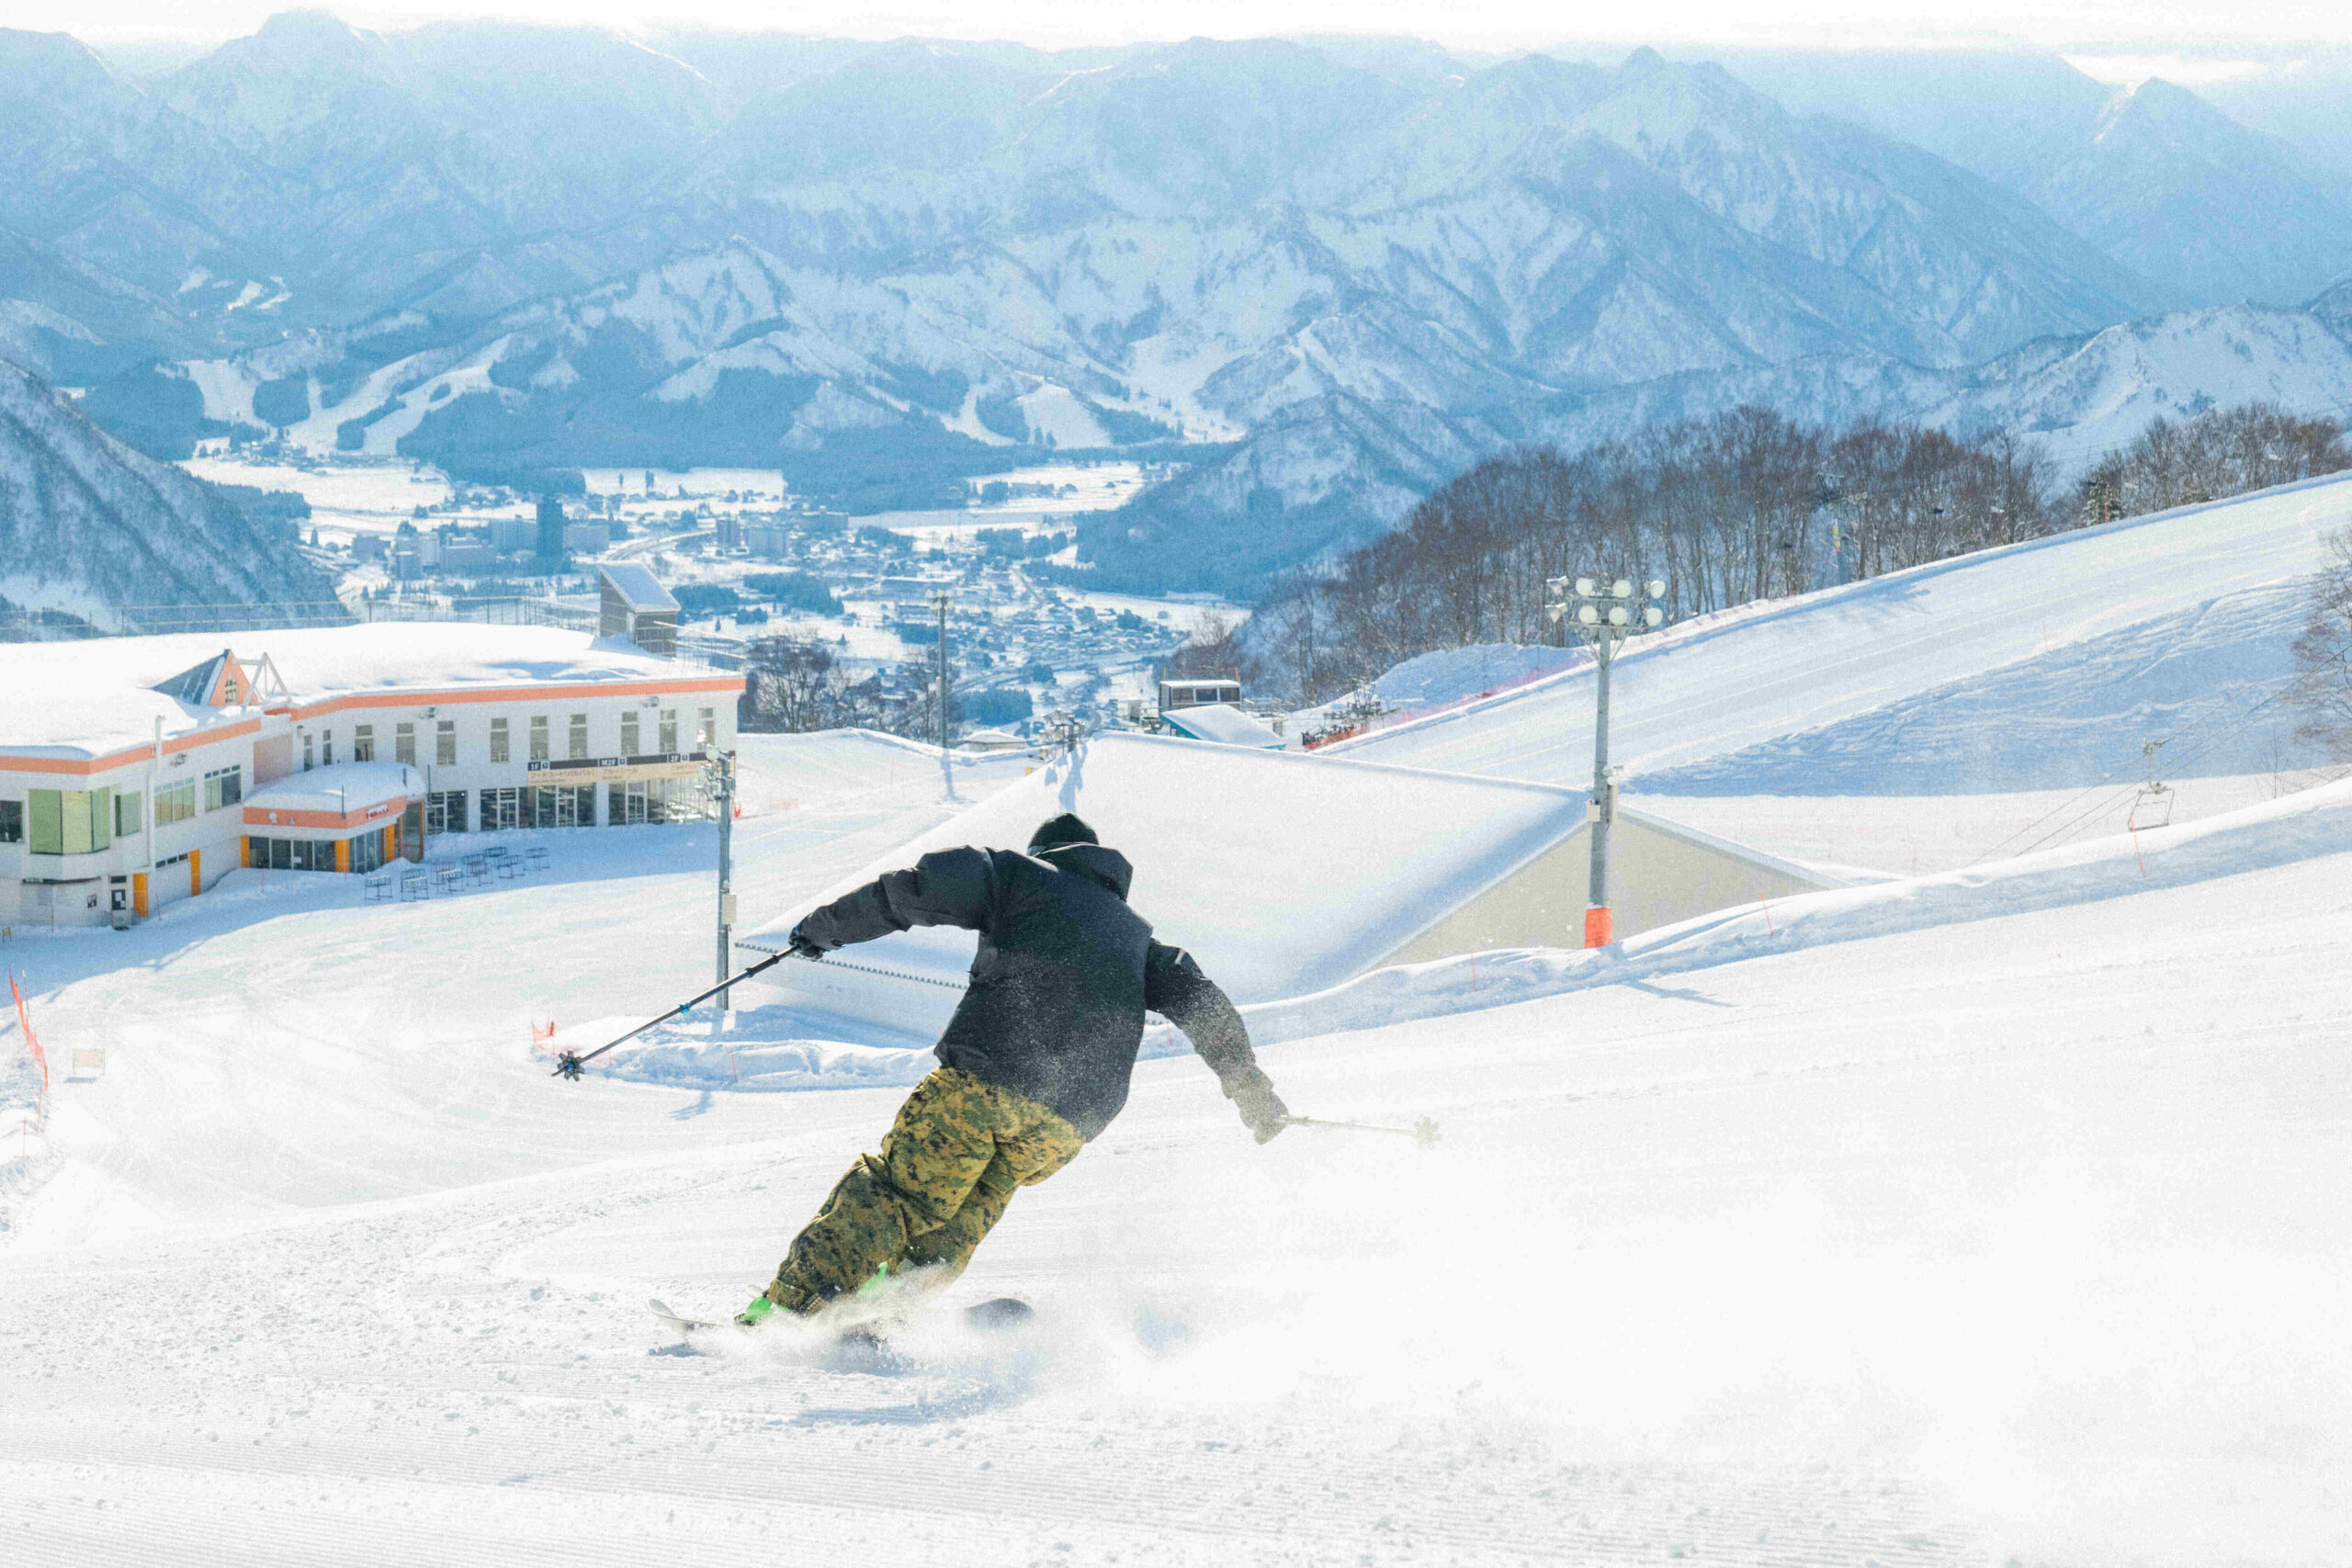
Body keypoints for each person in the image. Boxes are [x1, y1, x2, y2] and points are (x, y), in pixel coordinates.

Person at [738, 811, 1289, 1329]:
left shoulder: (1021, 876)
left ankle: (784, 1317)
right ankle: (881, 1311)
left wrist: (821, 930)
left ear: (1046, 853)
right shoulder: (1138, 943)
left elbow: (911, 891)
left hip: (989, 1081)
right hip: (1066, 1125)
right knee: (958, 1220)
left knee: (899, 1195)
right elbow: (1207, 1007)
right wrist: (1254, 1096)